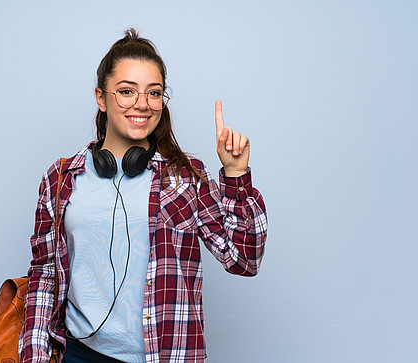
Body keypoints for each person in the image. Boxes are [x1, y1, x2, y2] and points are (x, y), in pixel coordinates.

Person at [19, 29, 267, 363]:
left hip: (166, 356)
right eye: (126, 91)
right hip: (80, 353)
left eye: (154, 93)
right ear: (100, 97)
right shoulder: (60, 178)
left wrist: (236, 176)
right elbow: (45, 275)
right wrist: (33, 356)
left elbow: (244, 259)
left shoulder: (186, 176)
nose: (142, 104)